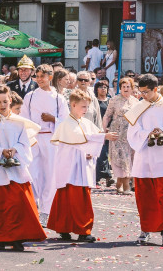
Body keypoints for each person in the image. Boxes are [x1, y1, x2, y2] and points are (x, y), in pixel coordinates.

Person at [0, 85, 47, 252]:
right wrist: (1, 151)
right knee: (1, 206)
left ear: (10, 101)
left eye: (5, 101)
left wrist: (14, 149)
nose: (2, 105)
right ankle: (0, 238)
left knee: (19, 204)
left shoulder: (19, 122)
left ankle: (17, 238)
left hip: (17, 168)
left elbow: (25, 143)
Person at [47, 88, 118, 243]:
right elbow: (80, 138)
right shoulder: (66, 123)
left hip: (82, 166)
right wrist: (102, 136)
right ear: (73, 105)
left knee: (78, 197)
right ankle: (80, 230)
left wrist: (92, 149)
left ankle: (68, 228)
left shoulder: (85, 122)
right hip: (70, 167)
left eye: (87, 107)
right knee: (72, 198)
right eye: (83, 107)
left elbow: (91, 139)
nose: (86, 110)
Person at [125, 73, 163, 247]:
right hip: (144, 157)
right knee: (146, 197)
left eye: (146, 92)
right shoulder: (138, 108)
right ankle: (146, 229)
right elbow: (132, 133)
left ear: (155, 89)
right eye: (140, 92)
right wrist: (147, 134)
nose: (142, 95)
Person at [21, 63, 67, 221]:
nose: (39, 79)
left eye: (43, 76)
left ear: (50, 77)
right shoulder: (30, 96)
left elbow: (66, 121)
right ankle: (32, 206)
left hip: (51, 138)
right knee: (33, 172)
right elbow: (24, 118)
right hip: (34, 138)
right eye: (37, 76)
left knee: (50, 174)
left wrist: (53, 119)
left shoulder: (58, 98)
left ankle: (47, 209)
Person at [104, 76, 138, 194]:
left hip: (130, 134)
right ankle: (126, 187)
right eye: (123, 87)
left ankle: (120, 183)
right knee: (121, 158)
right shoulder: (114, 100)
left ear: (132, 88)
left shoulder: (135, 101)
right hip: (117, 133)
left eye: (128, 87)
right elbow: (107, 115)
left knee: (129, 158)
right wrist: (104, 131)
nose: (125, 89)